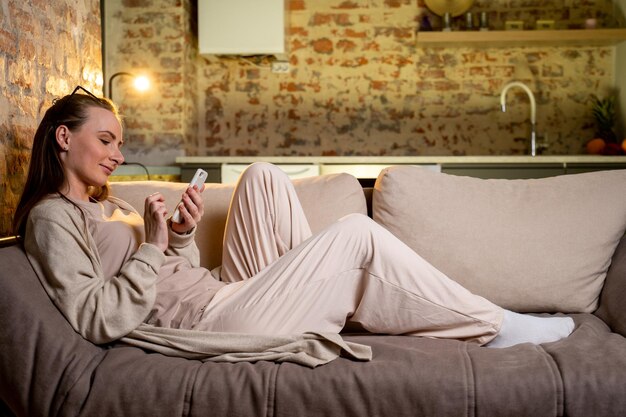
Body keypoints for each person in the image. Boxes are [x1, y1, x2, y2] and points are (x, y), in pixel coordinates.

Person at [13, 87, 575, 349]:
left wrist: (180, 237)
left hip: (223, 294)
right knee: (355, 235)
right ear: (65, 137)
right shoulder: (52, 219)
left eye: (120, 142)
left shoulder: (109, 203)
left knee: (261, 175)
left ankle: (320, 296)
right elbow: (95, 317)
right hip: (207, 326)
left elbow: (166, 272)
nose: (116, 153)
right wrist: (156, 247)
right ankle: (497, 325)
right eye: (105, 139)